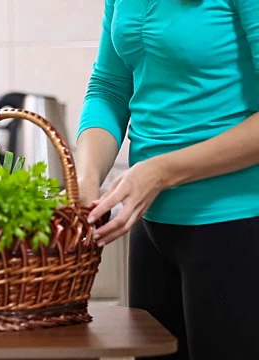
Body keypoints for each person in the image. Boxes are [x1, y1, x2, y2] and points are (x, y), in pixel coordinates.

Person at [75, 0, 259, 359]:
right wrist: (87, 176)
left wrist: (161, 171)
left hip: (238, 225)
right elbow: (109, 87)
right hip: (153, 229)